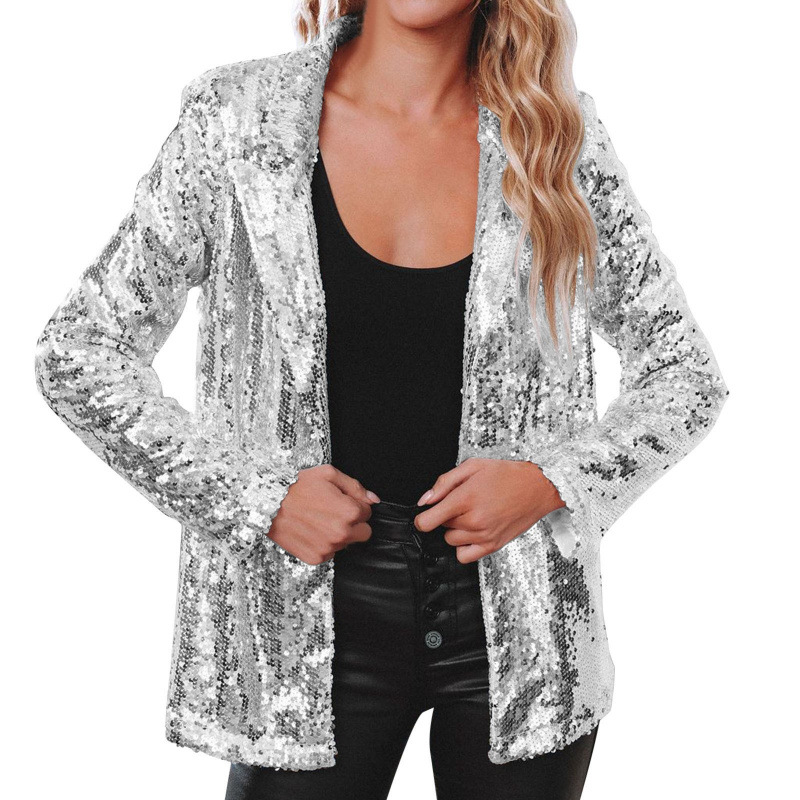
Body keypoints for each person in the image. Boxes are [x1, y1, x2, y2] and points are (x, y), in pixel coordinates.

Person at [33, 2, 729, 799]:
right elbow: (79, 352)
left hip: (521, 622)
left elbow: (683, 374)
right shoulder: (237, 122)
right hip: (308, 621)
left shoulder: (552, 135)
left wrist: (550, 482)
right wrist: (257, 497)